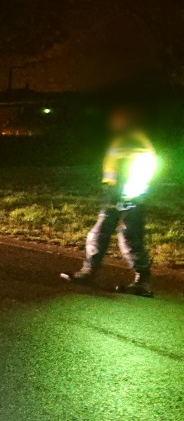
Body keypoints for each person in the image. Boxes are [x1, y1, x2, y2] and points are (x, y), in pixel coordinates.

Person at [61, 106, 157, 297]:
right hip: (115, 193)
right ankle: (90, 272)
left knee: (129, 236)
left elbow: (143, 169)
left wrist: (128, 194)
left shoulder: (136, 140)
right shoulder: (122, 139)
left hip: (128, 195)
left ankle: (142, 282)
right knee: (101, 232)